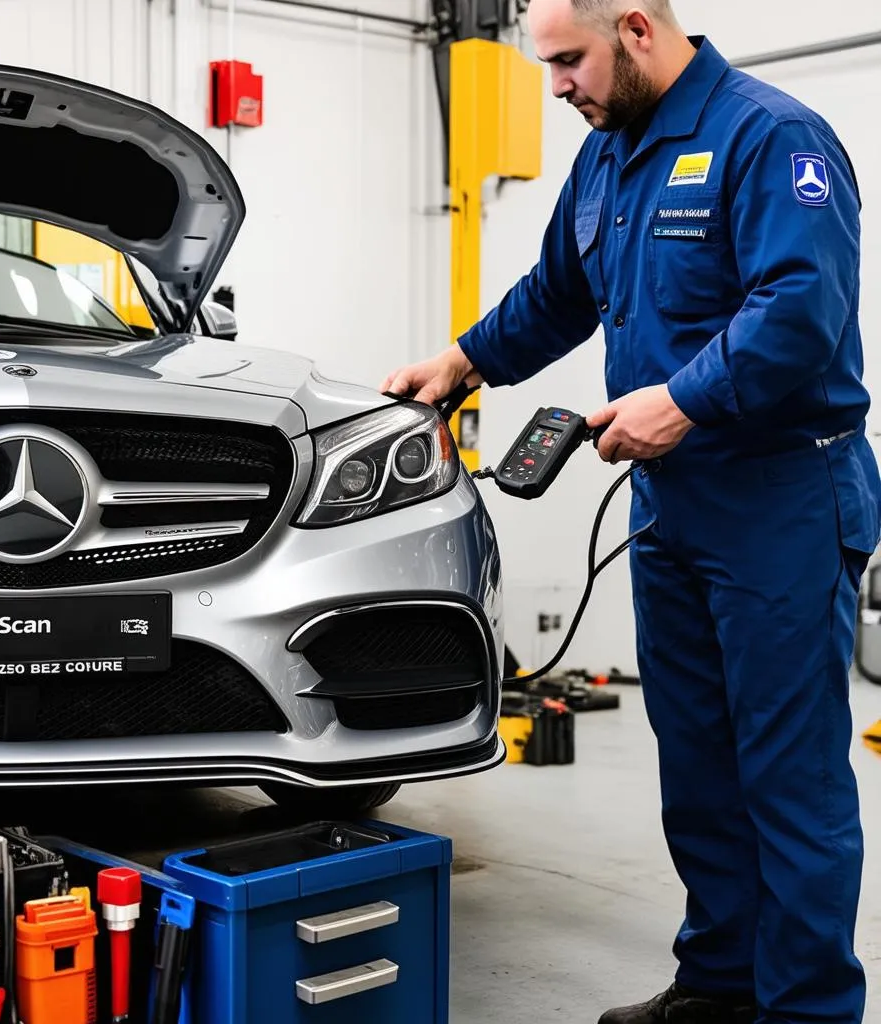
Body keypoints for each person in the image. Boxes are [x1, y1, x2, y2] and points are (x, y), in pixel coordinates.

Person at [381, 1, 881, 1022]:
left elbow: (799, 309)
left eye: (569, 61)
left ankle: (806, 1008)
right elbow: (559, 291)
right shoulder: (608, 153)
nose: (557, 85)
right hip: (672, 502)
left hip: (779, 492)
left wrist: (683, 400)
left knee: (786, 775)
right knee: (697, 762)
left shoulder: (770, 136)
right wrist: (463, 360)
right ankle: (719, 983)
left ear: (638, 30)